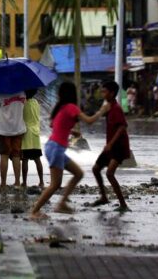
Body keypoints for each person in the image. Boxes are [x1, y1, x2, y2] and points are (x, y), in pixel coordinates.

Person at [30, 82, 110, 219]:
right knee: (55, 184)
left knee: (78, 173)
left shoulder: (60, 107)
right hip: (56, 148)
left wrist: (71, 131)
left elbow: (53, 125)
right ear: (72, 94)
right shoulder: (71, 107)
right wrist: (102, 110)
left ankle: (62, 203)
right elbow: (89, 121)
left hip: (53, 147)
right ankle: (34, 211)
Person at [90, 81, 131, 211]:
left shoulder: (116, 108)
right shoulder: (109, 107)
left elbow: (122, 127)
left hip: (118, 146)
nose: (102, 94)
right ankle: (104, 197)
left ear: (112, 93)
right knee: (96, 169)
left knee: (109, 173)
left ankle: (123, 204)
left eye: (104, 91)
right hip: (110, 146)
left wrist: (111, 144)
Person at [0, 91, 27, 191]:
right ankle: (17, 182)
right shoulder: (22, 93)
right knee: (16, 155)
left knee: (4, 155)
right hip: (18, 128)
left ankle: (3, 184)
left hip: (2, 129)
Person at [21, 89, 44, 188]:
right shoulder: (36, 102)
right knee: (37, 159)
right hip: (36, 133)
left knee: (25, 159)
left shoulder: (23, 104)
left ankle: (25, 182)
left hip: (26, 134)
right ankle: (42, 181)